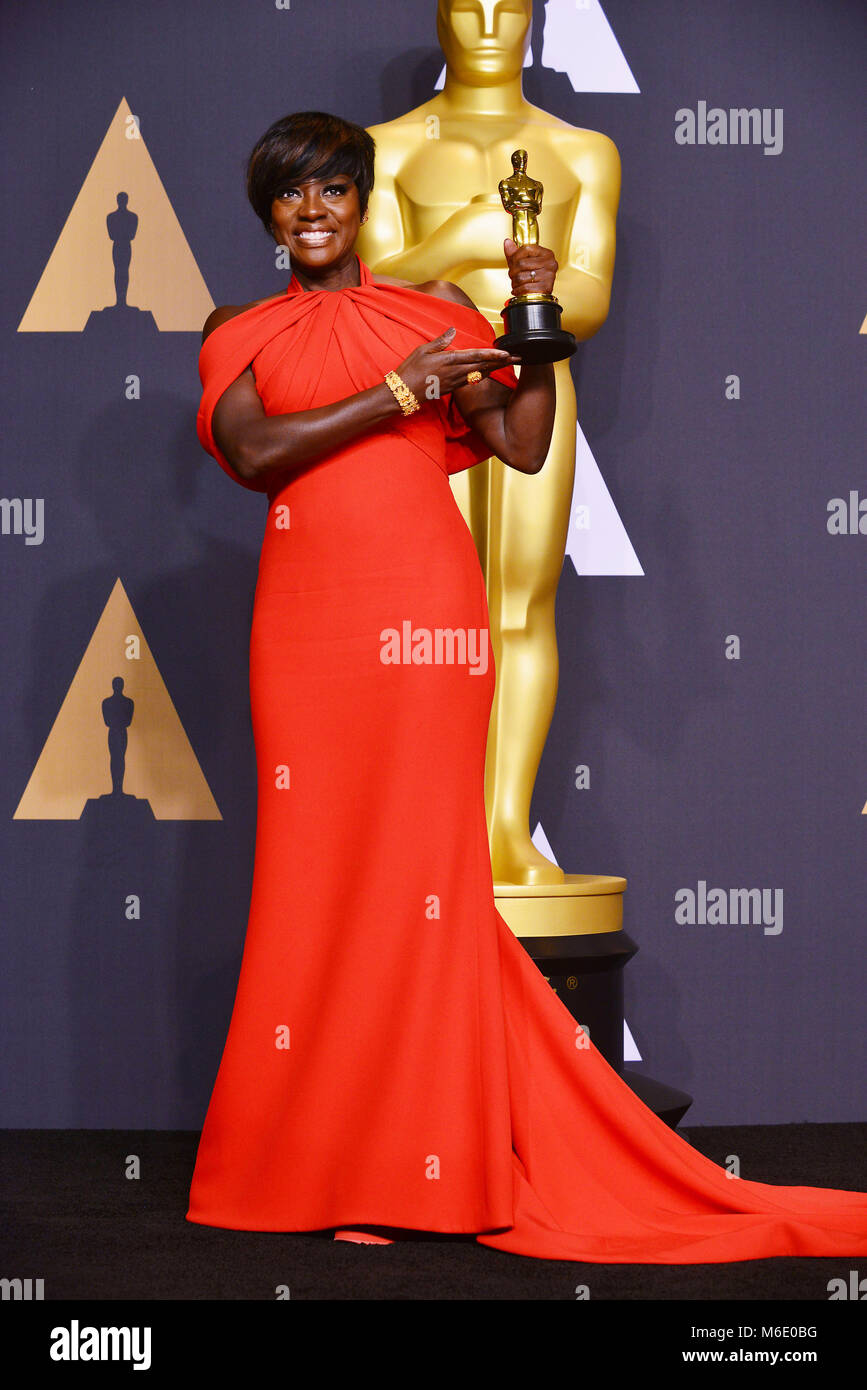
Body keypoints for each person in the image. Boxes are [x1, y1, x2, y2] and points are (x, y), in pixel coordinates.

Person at [187, 111, 867, 1262]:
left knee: (419, 881)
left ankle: (411, 1167)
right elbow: (257, 454)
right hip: (308, 638)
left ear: (363, 205)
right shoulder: (238, 327)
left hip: (427, 627)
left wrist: (531, 332)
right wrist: (404, 394)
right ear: (268, 213)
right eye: (291, 195)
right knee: (316, 882)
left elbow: (521, 444)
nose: (313, 212)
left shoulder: (438, 320)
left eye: (334, 191)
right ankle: (317, 1158)